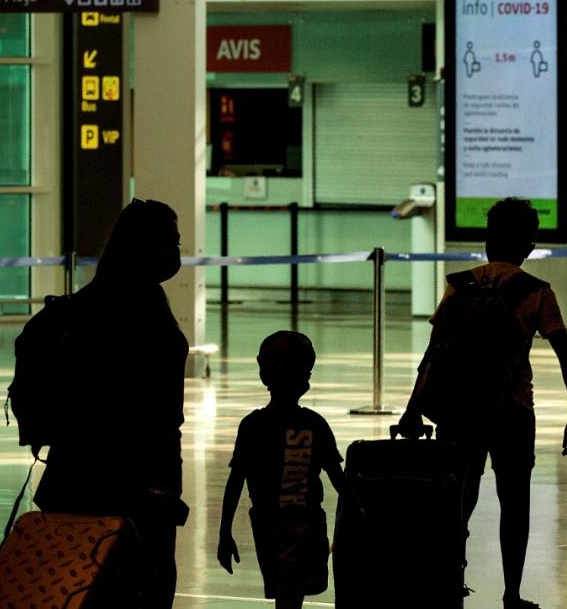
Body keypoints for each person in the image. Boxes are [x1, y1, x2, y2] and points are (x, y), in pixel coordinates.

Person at [399, 198, 567, 609]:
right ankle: (511, 593)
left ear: (487, 240)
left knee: (457, 499)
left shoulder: (460, 285)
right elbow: (565, 354)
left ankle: (448, 581)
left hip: (458, 409)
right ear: (530, 244)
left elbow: (433, 352)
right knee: (514, 501)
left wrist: (413, 408)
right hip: (513, 412)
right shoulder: (537, 293)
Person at [26, 199, 190, 607]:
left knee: (80, 587)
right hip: (136, 482)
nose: (176, 253)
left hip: (74, 476)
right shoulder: (140, 313)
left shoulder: (86, 304)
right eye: (170, 242)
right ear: (144, 247)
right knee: (136, 589)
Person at [217, 331, 349, 609]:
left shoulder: (253, 425)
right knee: (291, 595)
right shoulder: (315, 424)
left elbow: (235, 481)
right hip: (305, 524)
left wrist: (225, 532)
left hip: (270, 526)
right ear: (306, 379)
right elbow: (339, 480)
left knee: (286, 594)